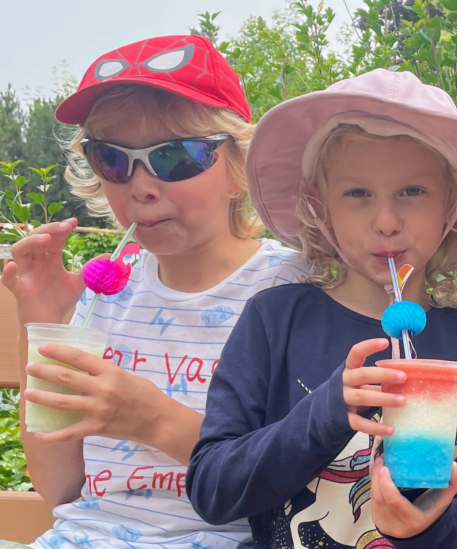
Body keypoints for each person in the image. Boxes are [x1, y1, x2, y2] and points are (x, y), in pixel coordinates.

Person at [186, 69, 457, 549]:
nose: (386, 222)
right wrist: (326, 413)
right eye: (357, 194)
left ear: (452, 205)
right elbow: (212, 489)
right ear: (318, 207)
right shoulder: (274, 321)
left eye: (412, 192)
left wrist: (433, 528)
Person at [0, 34, 306, 549]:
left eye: (175, 156)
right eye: (112, 160)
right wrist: (45, 322)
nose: (139, 186)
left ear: (239, 168)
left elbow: (305, 483)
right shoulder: (106, 296)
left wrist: (154, 420)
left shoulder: (292, 291)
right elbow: (62, 490)